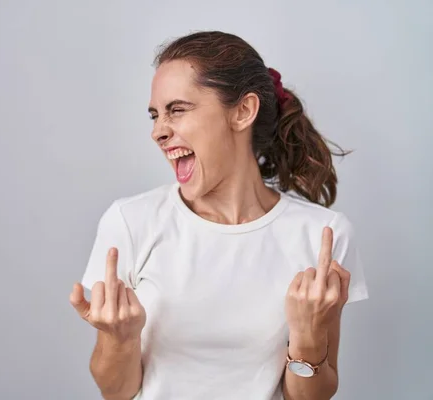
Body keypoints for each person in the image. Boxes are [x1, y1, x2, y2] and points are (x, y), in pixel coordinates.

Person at [69, 30, 368, 400]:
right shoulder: (131, 222)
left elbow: (310, 397)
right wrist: (120, 338)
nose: (158, 132)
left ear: (243, 111)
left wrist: (307, 337)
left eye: (177, 109)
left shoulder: (323, 235)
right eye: (155, 115)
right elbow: (117, 392)